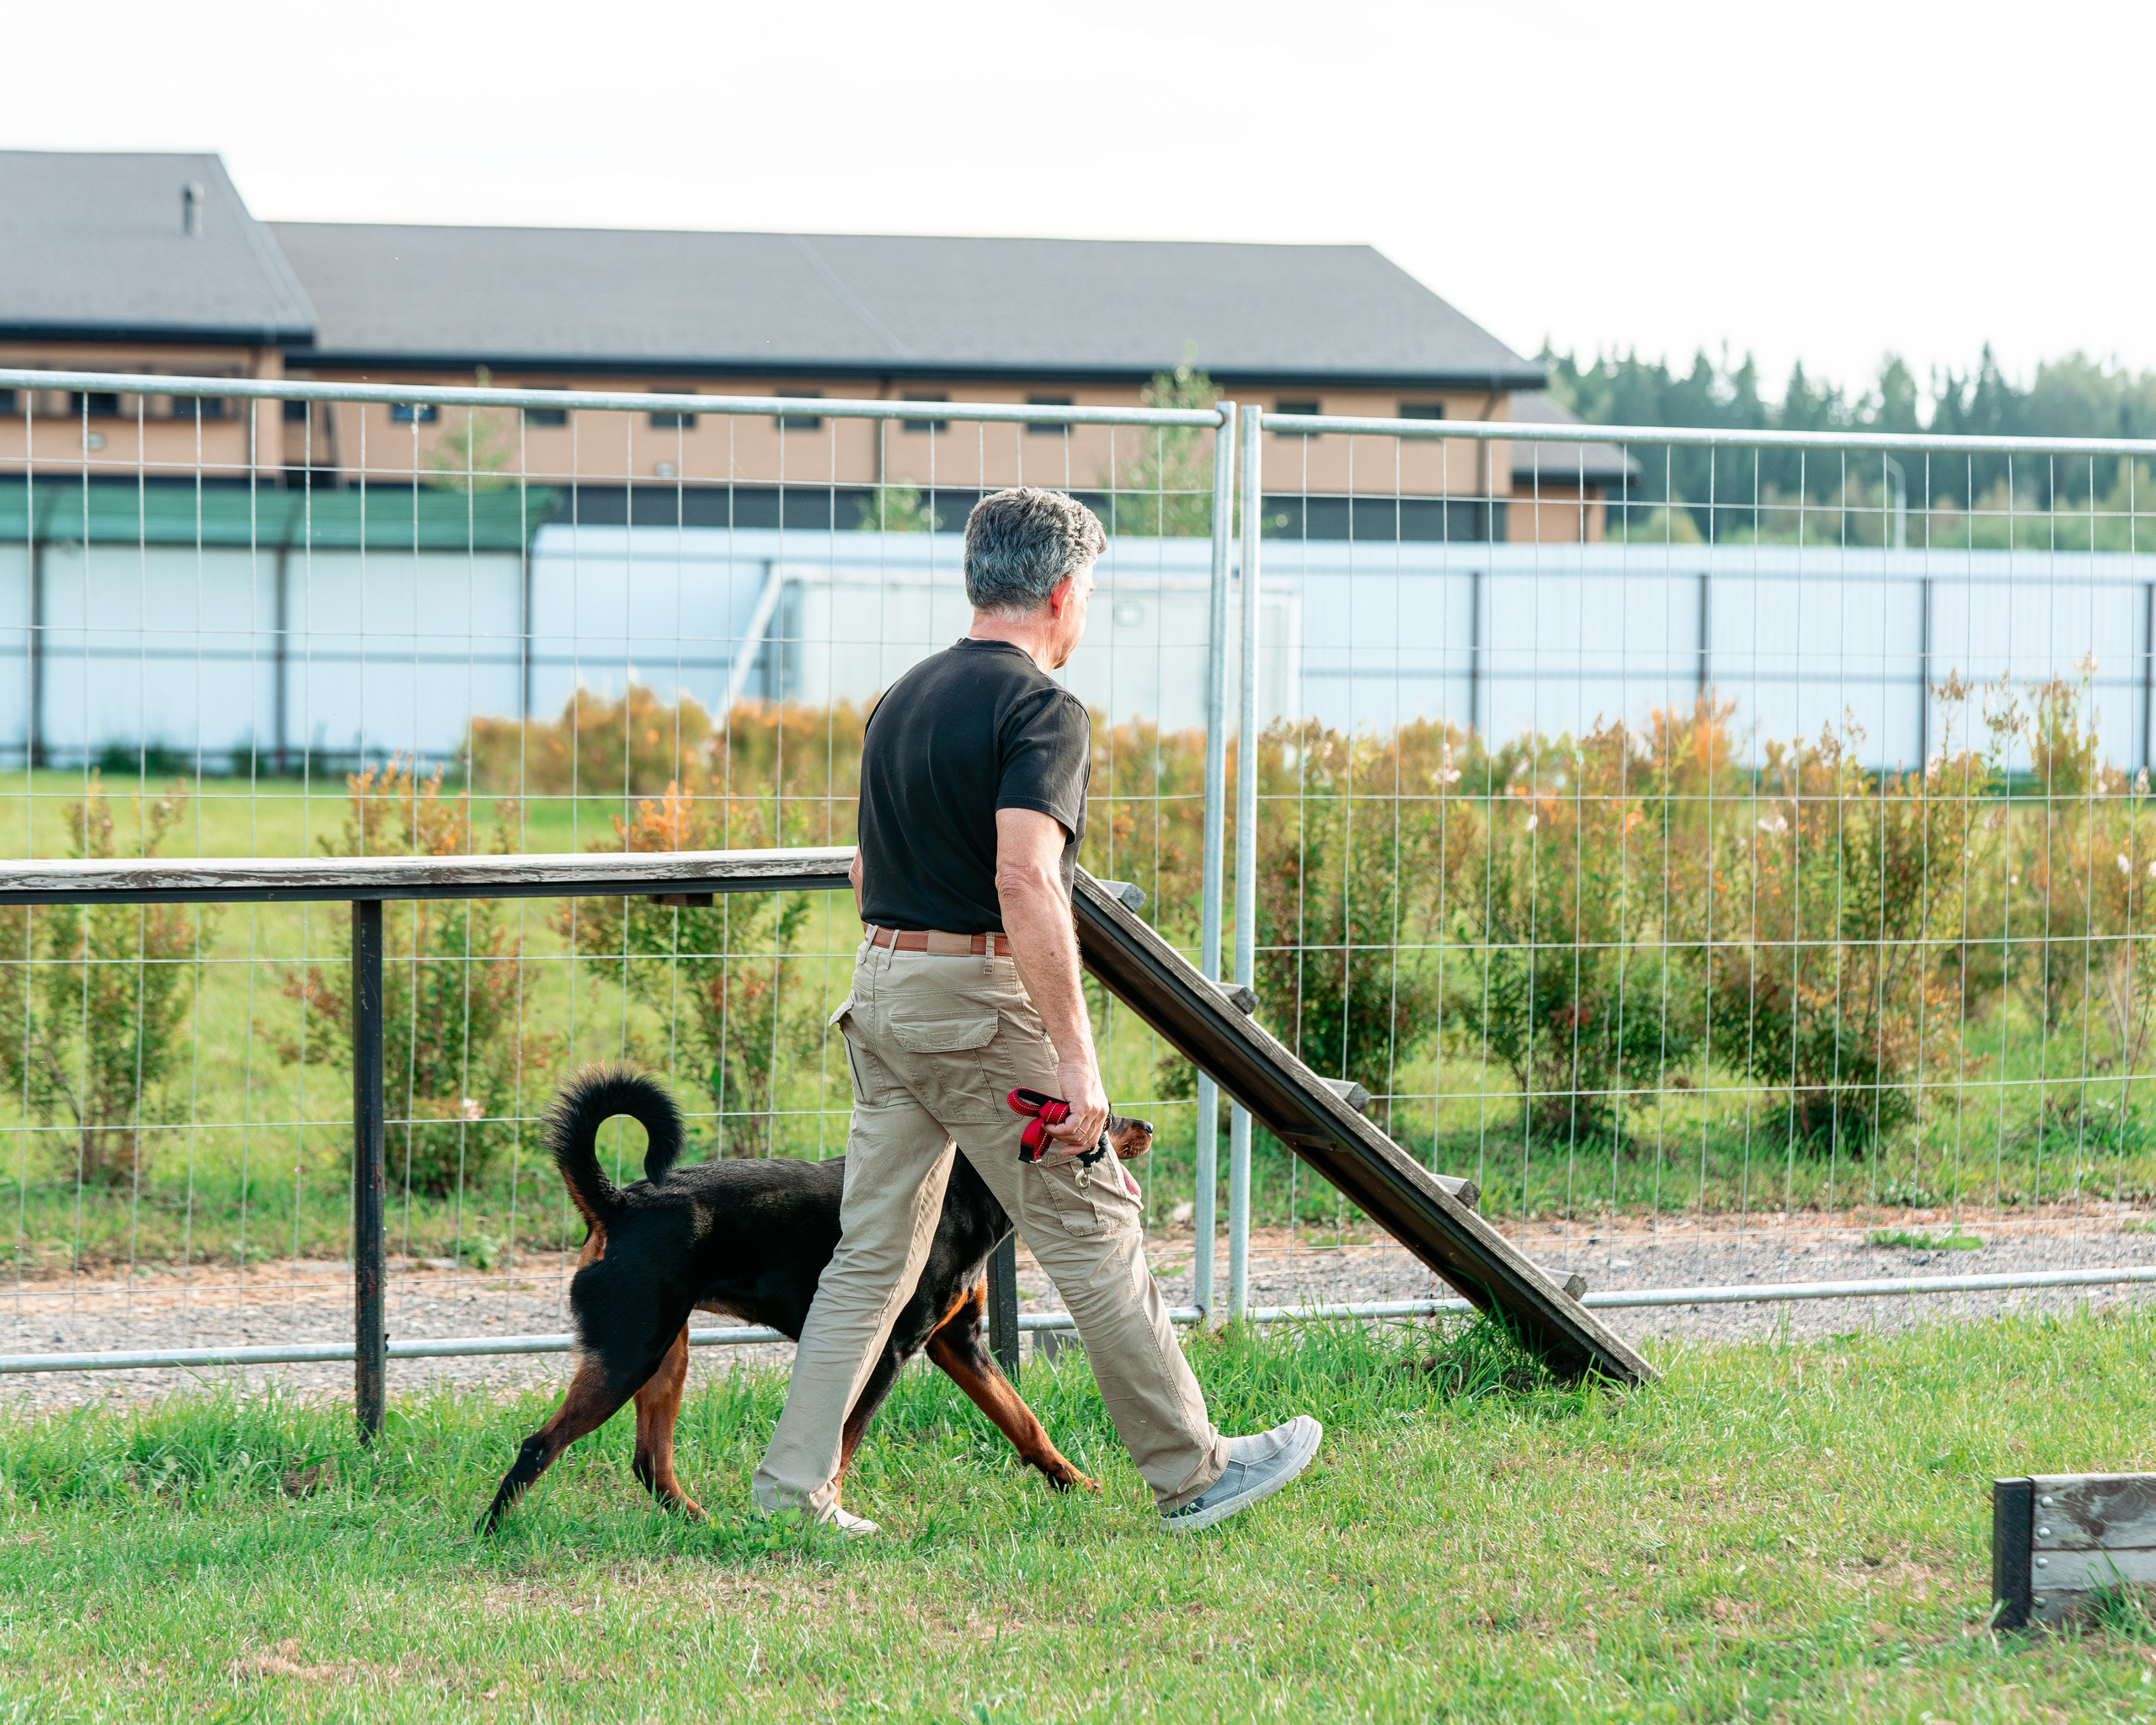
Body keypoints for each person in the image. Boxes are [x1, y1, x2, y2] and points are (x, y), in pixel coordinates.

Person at [752, 486, 1321, 1535]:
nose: (1087, 606)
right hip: (975, 1005)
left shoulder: (899, 698)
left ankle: (793, 1491)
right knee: (1096, 1226)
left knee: (870, 1252)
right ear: (1062, 592)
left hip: (878, 987)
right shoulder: (1041, 710)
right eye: (1091, 589)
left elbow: (861, 864)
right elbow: (1026, 878)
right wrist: (1078, 1063)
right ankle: (1194, 1473)